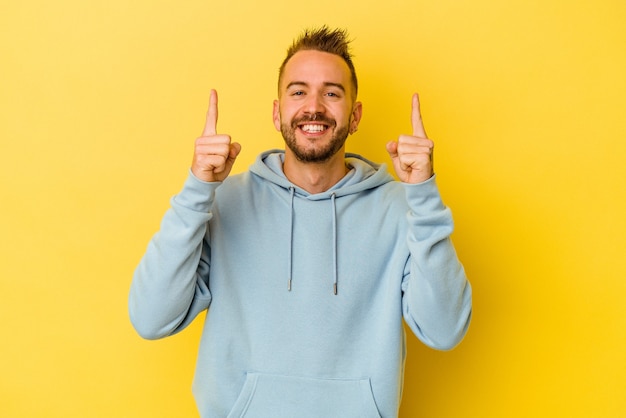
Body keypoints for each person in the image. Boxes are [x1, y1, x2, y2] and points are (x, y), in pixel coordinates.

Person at [129, 26, 472, 418]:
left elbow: (445, 331)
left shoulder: (401, 207)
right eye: (298, 91)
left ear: (355, 115)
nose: (314, 107)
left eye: (331, 92)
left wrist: (424, 194)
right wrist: (196, 191)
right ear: (277, 113)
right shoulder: (223, 202)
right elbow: (151, 318)